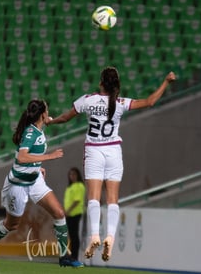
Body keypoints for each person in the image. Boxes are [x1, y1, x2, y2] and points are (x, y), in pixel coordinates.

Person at [47, 67, 176, 261]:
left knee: (93, 198)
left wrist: (51, 121)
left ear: (101, 83)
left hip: (94, 151)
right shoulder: (120, 102)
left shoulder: (88, 100)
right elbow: (150, 102)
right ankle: (110, 237)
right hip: (114, 151)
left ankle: (95, 236)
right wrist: (166, 81)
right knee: (113, 199)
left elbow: (65, 117)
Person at [0, 99, 84, 268]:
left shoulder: (39, 130)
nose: (49, 113)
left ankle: (64, 256)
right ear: (43, 114)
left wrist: (38, 167)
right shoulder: (31, 133)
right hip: (17, 185)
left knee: (59, 213)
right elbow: (22, 157)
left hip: (34, 180)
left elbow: (30, 156)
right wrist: (49, 157)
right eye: (47, 111)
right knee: (12, 224)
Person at [64, 167, 86, 261]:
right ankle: (72, 254)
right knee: (71, 235)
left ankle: (75, 256)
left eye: (74, 174)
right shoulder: (70, 187)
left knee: (74, 235)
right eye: (70, 174)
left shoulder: (79, 186)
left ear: (78, 175)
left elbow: (77, 200)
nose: (72, 176)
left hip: (75, 213)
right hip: (69, 214)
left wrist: (68, 211)